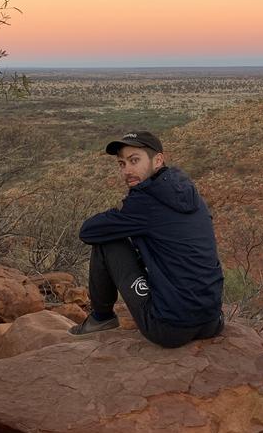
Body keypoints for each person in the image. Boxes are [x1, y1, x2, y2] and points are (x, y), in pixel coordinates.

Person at [70, 130, 224, 348]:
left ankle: (101, 318)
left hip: (169, 329)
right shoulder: (189, 193)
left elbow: (88, 232)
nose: (127, 170)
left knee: (108, 240)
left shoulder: (144, 201)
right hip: (212, 322)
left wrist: (122, 214)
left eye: (134, 160)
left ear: (158, 160)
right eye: (122, 164)